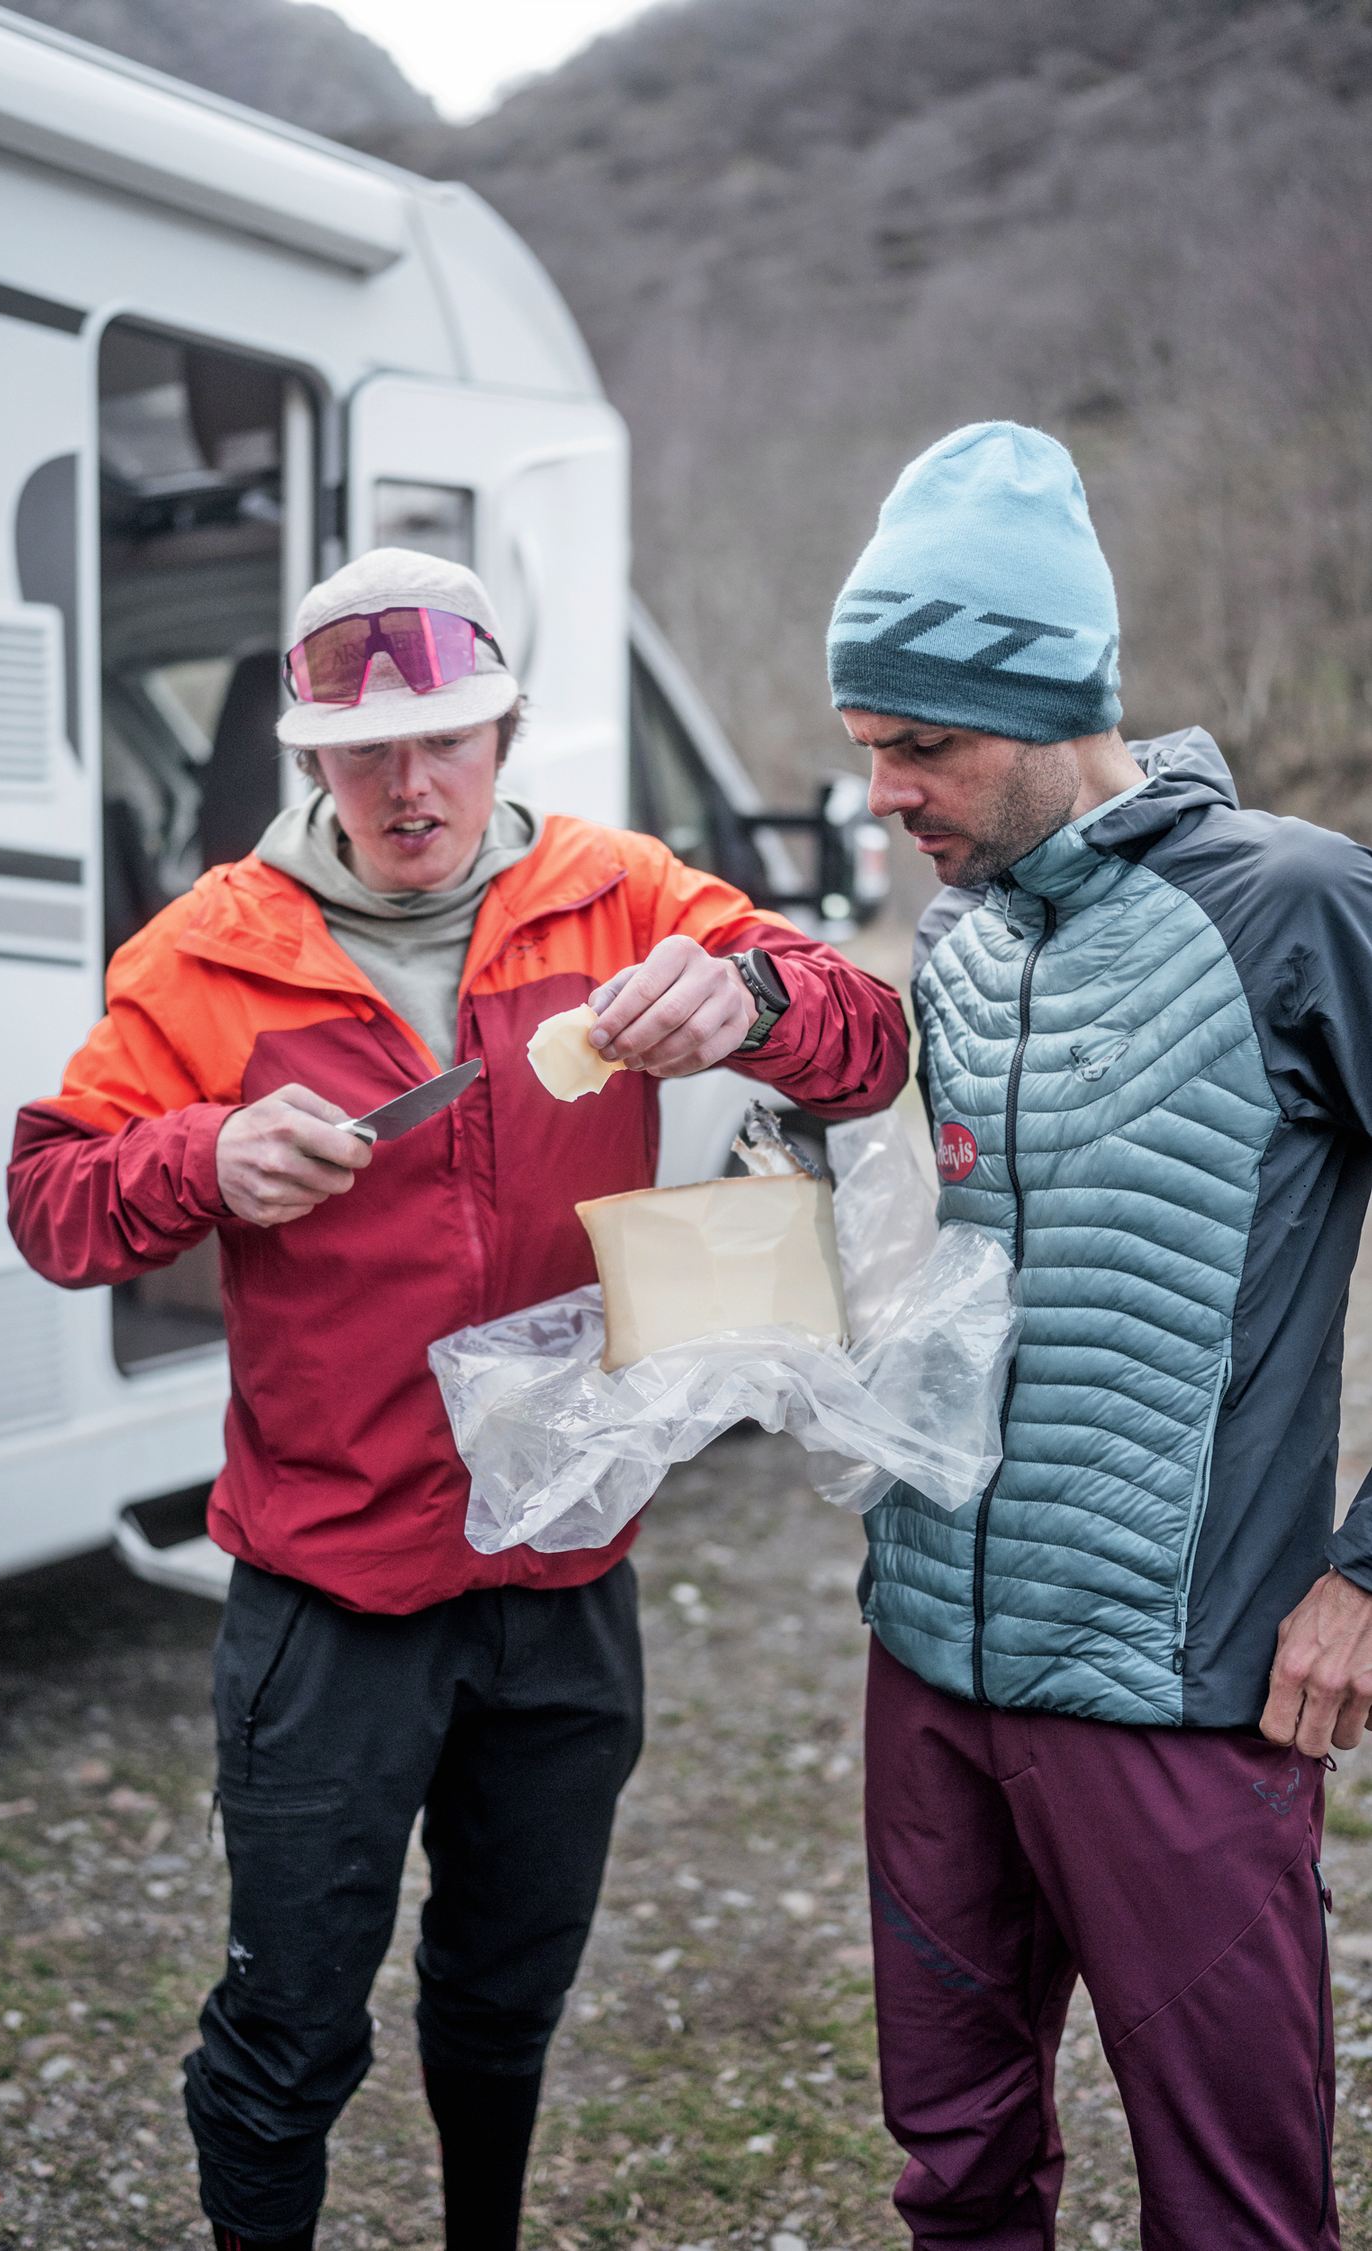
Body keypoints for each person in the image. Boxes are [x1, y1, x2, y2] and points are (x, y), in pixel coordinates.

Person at [8, 546, 909, 2251]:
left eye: (447, 737)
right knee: (288, 2035)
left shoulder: (620, 893)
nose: (411, 783)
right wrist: (201, 1154)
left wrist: (763, 996)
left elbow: (865, 1040)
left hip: (566, 1578)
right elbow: (56, 1200)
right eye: (366, 751)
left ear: (502, 728)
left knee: (505, 2001)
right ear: (309, 759)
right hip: (332, 1587)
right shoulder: (207, 958)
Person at [826, 419, 1372, 2249]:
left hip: (1177, 1693)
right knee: (957, 2170)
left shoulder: (1296, 902)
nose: (885, 791)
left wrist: (1368, 1570)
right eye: (867, 748)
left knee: (1231, 2203)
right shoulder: (960, 940)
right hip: (930, 1665)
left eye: (924, 744)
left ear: (1061, 706)